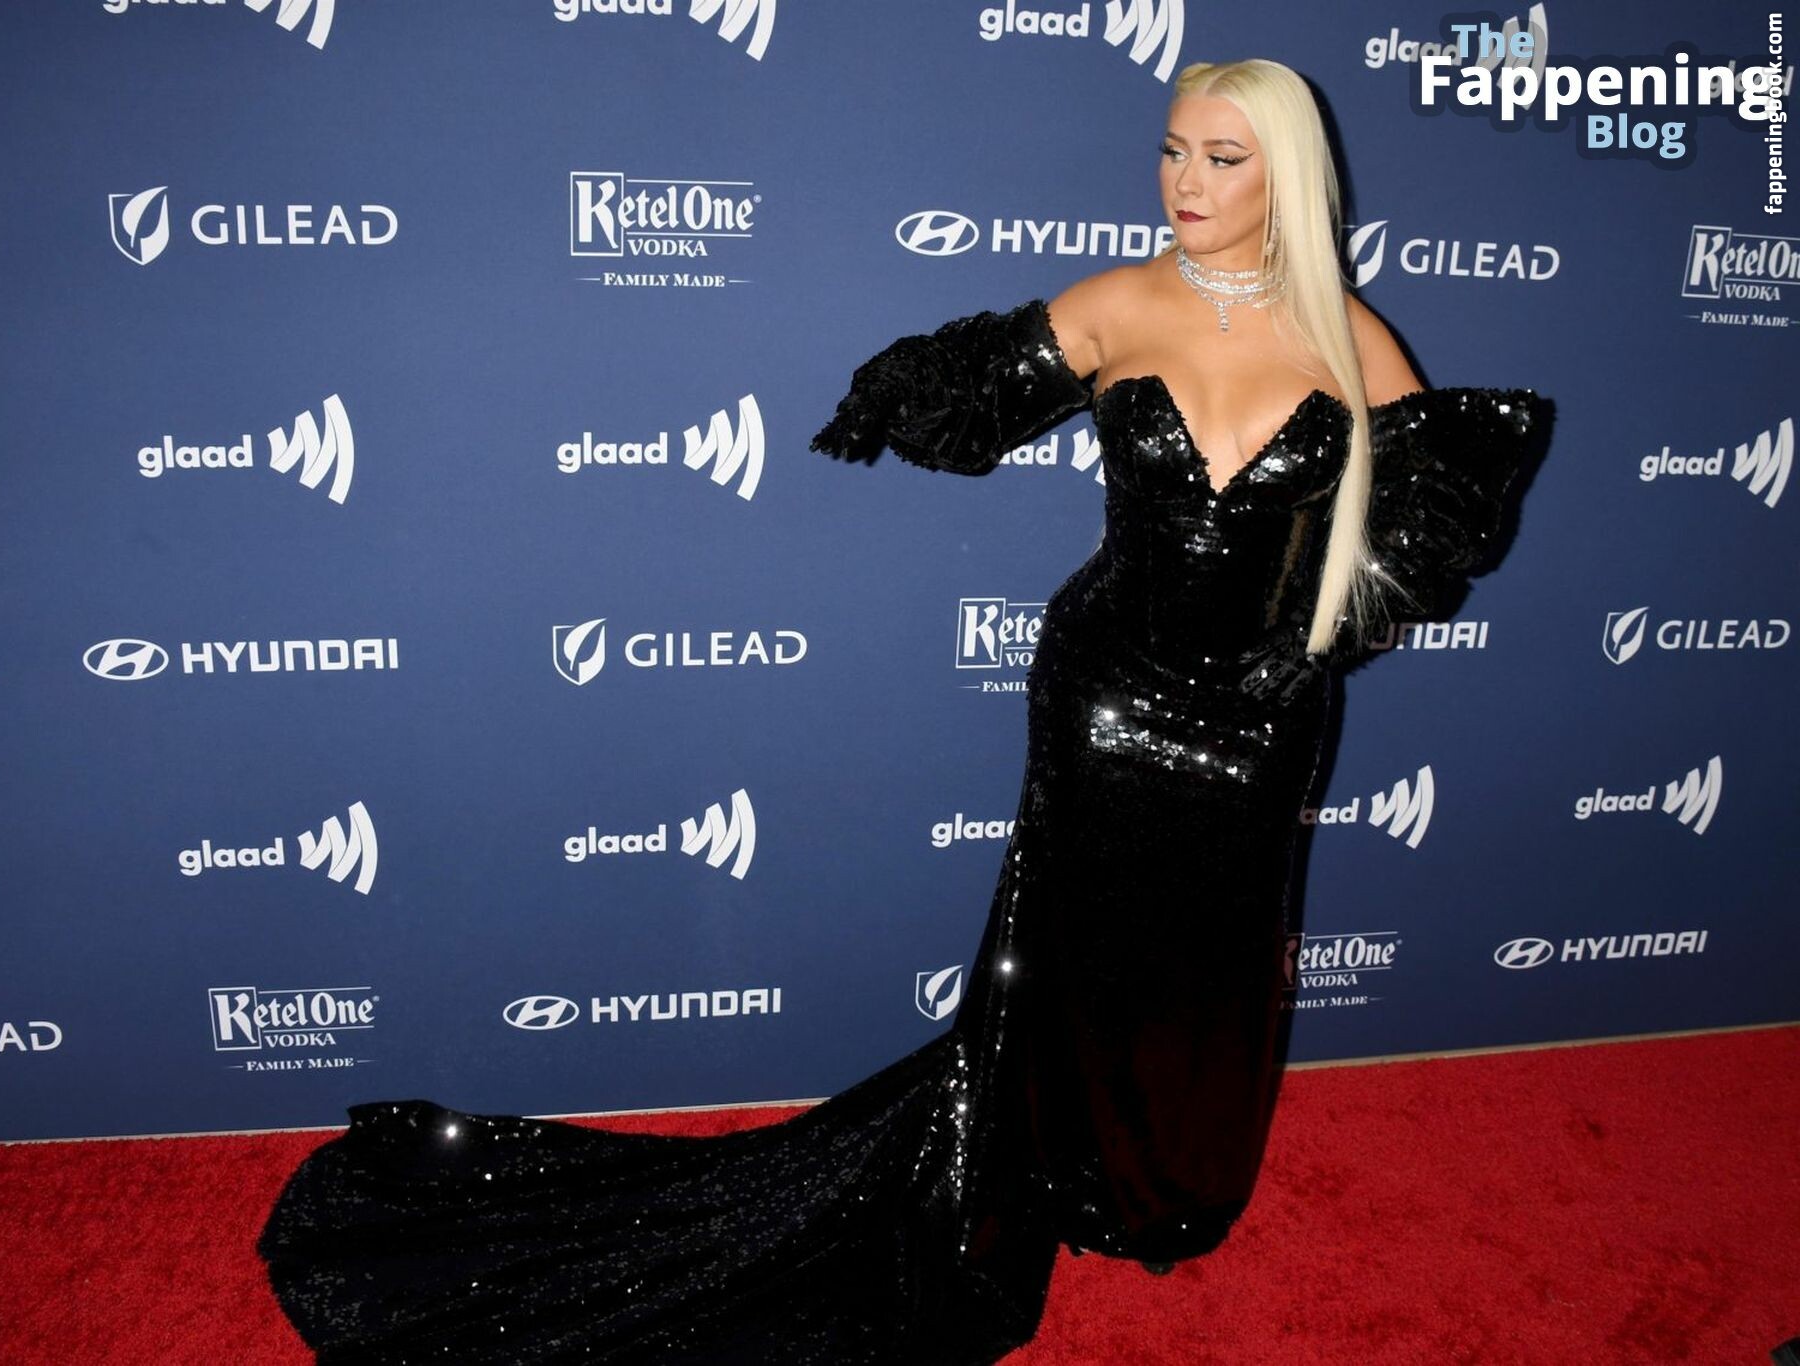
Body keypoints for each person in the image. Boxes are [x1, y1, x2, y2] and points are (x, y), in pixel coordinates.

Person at [256, 58, 1551, 1363]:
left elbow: (1420, 540)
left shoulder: (1353, 338)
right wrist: (887, 399)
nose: (1185, 183)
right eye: (1172, 150)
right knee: (1069, 942)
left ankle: (1166, 1186)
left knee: (1213, 954)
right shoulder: (1119, 303)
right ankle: (1045, 1162)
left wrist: (1307, 646)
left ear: (1290, 174)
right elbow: (962, 394)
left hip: (1261, 716)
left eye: (1223, 158)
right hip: (1104, 696)